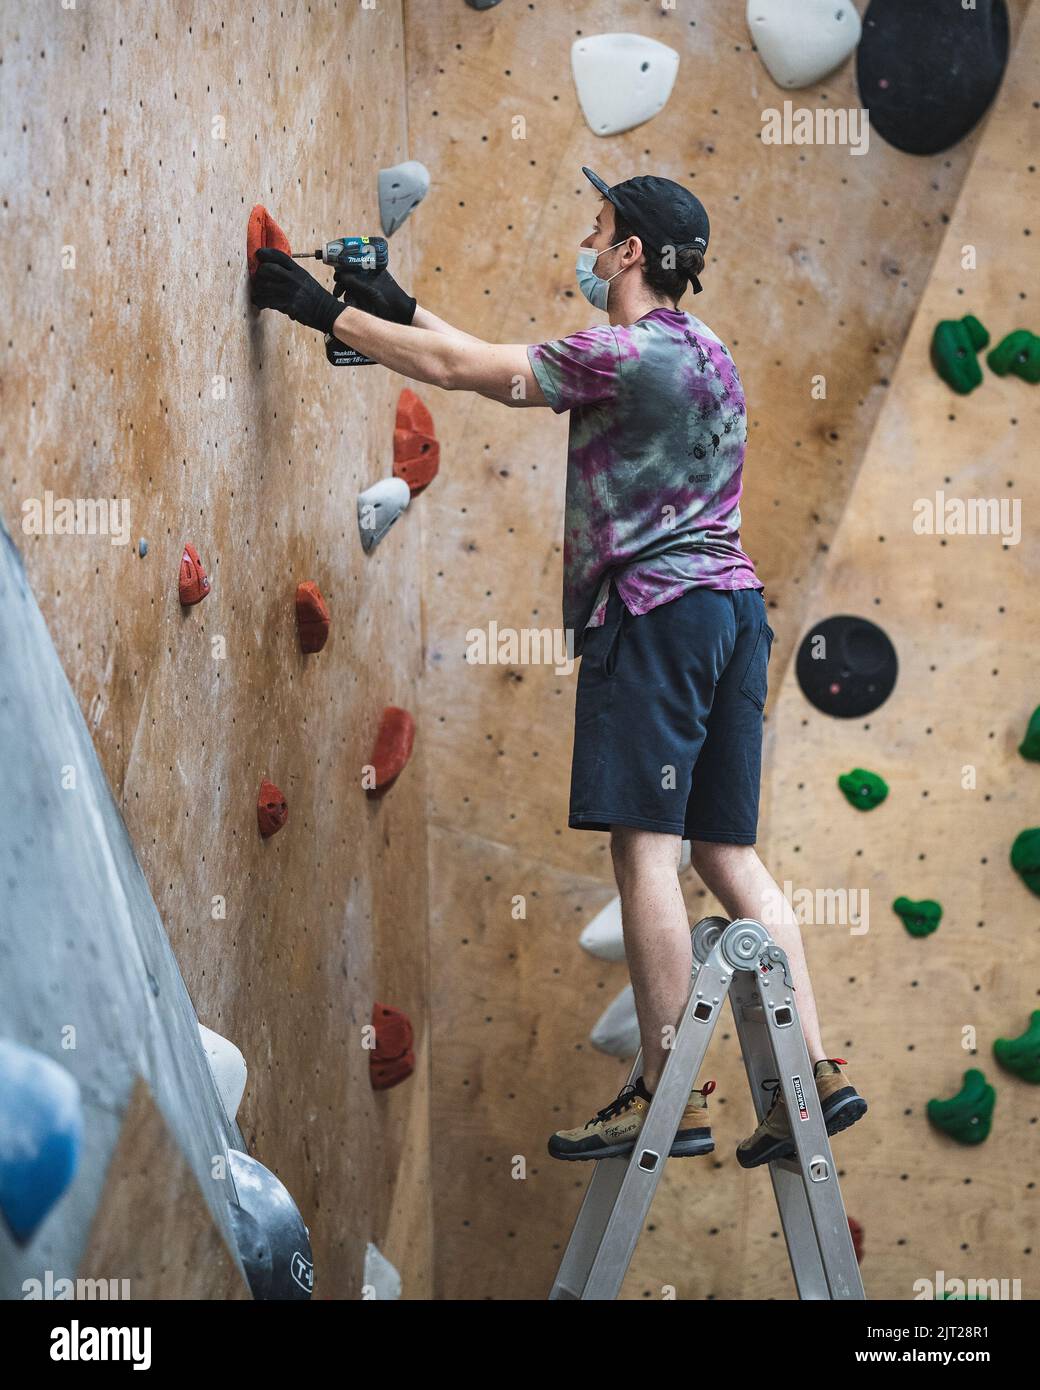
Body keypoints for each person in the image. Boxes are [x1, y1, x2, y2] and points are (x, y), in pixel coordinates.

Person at [251, 166, 867, 1171]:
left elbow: (465, 374)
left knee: (644, 851)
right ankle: (811, 1075)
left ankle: (666, 1091)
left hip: (656, 618)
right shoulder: (704, 351)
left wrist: (320, 309)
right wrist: (394, 306)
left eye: (598, 229)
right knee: (727, 856)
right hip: (731, 614)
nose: (586, 243)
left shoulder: (620, 355)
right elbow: (479, 356)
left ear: (629, 252)